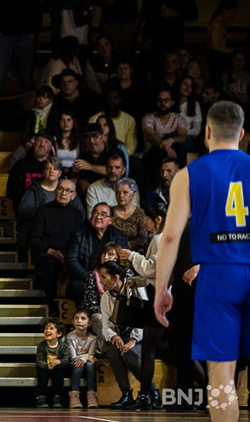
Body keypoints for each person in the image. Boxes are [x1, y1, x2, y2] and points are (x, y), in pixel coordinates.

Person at [155, 100, 250, 422]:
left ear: (207, 132)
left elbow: (169, 238)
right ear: (242, 134)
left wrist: (160, 292)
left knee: (221, 376)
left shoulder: (189, 174)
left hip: (219, 276)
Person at [118, 203, 168, 411]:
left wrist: (131, 256)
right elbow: (154, 274)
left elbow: (152, 267)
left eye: (147, 218)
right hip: (165, 295)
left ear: (156, 219)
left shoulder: (159, 238)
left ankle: (146, 396)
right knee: (180, 350)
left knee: (148, 350)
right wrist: (137, 281)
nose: (145, 221)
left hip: (159, 298)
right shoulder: (166, 238)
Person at [29, 179, 86, 310]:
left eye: (68, 190)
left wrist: (70, 256)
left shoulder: (77, 215)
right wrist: (52, 252)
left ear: (73, 195)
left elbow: (79, 240)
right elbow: (34, 239)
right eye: (60, 189)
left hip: (69, 254)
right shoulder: (43, 211)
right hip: (48, 253)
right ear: (55, 191)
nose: (63, 193)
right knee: (50, 264)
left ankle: (80, 310)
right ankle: (52, 306)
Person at [99, 260, 147, 410]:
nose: (100, 281)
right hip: (121, 334)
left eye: (104, 277)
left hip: (142, 335)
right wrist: (113, 336)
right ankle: (126, 393)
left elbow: (145, 319)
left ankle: (151, 391)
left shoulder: (136, 289)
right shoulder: (106, 297)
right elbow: (106, 326)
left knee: (129, 353)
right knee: (113, 349)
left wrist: (134, 339)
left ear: (116, 277)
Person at [65, 203, 127, 306]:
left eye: (103, 214)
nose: (98, 217)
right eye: (95, 213)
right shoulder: (79, 234)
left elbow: (125, 260)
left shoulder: (119, 236)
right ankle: (87, 317)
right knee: (77, 286)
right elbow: (71, 260)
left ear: (110, 220)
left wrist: (108, 278)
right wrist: (91, 278)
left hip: (110, 278)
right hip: (85, 277)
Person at [67, 309, 98, 408]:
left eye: (83, 318)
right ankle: (74, 395)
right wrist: (86, 357)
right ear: (72, 321)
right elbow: (73, 357)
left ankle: (91, 394)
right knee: (77, 365)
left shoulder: (93, 338)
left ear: (89, 323)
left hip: (87, 363)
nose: (79, 321)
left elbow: (92, 355)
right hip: (74, 363)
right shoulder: (70, 337)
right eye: (76, 318)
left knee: (90, 365)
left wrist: (85, 358)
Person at [35, 317, 68, 408]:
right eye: (46, 328)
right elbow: (39, 361)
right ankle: (41, 397)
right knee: (41, 373)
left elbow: (66, 359)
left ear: (59, 333)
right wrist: (47, 365)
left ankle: (57, 397)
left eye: (51, 328)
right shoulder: (41, 346)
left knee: (59, 373)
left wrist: (59, 362)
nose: (47, 330)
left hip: (57, 367)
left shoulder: (63, 346)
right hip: (45, 368)